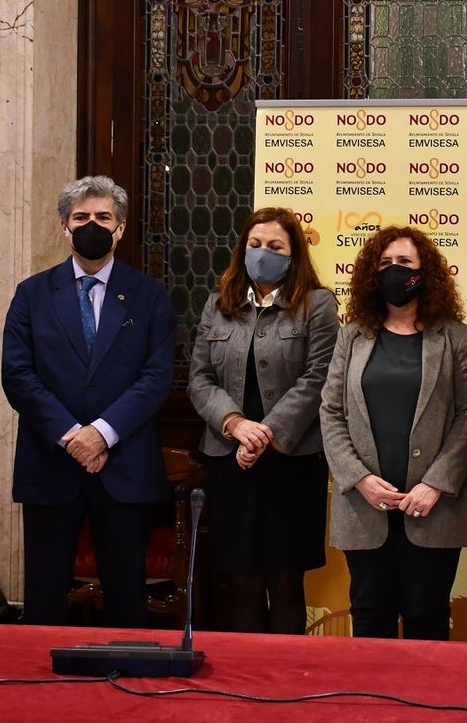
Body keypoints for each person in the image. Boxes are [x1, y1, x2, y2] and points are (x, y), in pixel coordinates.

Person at [2, 175, 174, 628]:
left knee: (127, 602)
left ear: (120, 229)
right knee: (43, 598)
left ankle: (129, 688)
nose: (92, 225)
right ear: (64, 227)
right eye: (81, 218)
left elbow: (157, 377)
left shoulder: (150, 295)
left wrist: (101, 433)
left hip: (124, 467)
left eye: (103, 218)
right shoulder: (32, 294)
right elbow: (18, 376)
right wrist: (72, 435)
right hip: (51, 465)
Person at [320, 226, 467, 640]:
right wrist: (359, 479)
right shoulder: (351, 336)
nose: (395, 271)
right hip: (364, 505)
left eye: (405, 263)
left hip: (433, 507)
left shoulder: (454, 337)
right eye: (386, 263)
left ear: (425, 273)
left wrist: (436, 484)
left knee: (427, 617)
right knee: (370, 616)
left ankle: (427, 706)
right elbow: (331, 411)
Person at [189, 207, 338, 634]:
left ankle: (287, 686)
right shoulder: (219, 305)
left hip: (292, 461)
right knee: (242, 581)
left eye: (275, 247)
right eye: (255, 245)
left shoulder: (318, 304)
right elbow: (199, 379)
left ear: (293, 255)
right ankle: (247, 689)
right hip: (228, 459)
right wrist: (236, 425)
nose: (263, 254)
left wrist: (266, 433)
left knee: (287, 581)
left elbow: (319, 377)